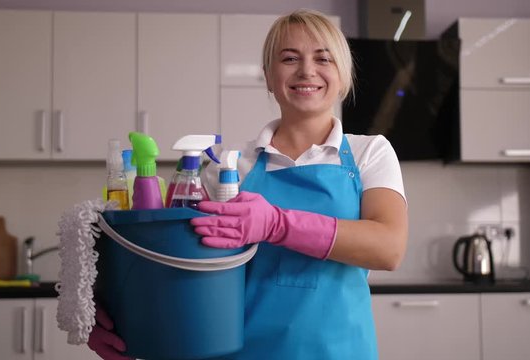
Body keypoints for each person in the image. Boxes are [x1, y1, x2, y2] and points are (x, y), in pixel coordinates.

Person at [88, 8, 408, 360]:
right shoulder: (227, 169)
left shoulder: (369, 153)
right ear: (268, 76)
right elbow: (171, 265)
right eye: (289, 58)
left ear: (342, 74)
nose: (306, 70)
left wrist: (276, 224)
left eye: (323, 58)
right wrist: (113, 315)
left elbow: (389, 247)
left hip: (341, 350)